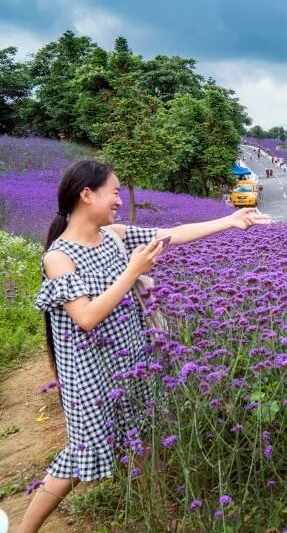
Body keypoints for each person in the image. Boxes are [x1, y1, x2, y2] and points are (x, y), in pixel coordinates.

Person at [21, 161, 272, 533]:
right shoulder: (59, 257)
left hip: (133, 359)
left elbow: (174, 233)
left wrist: (229, 220)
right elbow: (86, 317)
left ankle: (159, 516)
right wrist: (132, 271)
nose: (119, 201)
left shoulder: (116, 236)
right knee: (78, 459)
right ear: (86, 195)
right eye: (115, 192)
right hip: (91, 375)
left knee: (145, 439)